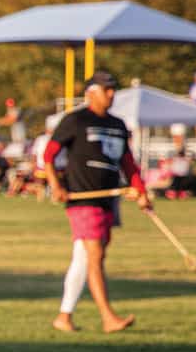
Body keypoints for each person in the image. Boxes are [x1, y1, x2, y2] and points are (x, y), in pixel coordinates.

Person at [42, 71, 150, 334]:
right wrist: (56, 186)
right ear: (91, 92)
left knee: (83, 258)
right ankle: (108, 317)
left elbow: (127, 163)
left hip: (108, 200)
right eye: (106, 89)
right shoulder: (75, 120)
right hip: (82, 198)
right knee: (95, 256)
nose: (111, 94)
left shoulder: (118, 125)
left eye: (113, 89)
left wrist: (140, 190)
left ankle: (64, 317)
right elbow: (49, 155)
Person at [164, 124, 196, 199]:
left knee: (183, 180)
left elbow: (191, 162)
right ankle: (174, 192)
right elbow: (167, 164)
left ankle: (181, 192)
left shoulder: (188, 151)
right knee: (176, 180)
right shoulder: (170, 150)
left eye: (180, 137)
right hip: (174, 175)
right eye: (176, 137)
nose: (178, 139)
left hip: (184, 175)